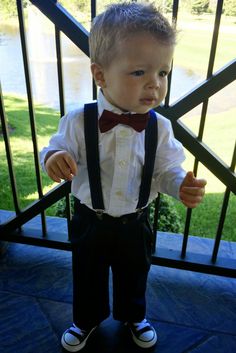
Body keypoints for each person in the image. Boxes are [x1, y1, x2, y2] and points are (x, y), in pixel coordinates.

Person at [40, 2, 207, 351]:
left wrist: (180, 185)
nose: (155, 86)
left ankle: (134, 316)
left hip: (136, 221)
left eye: (163, 73)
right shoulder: (77, 120)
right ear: (100, 75)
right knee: (88, 273)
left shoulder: (159, 127)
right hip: (91, 219)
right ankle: (86, 320)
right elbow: (54, 148)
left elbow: (166, 170)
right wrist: (54, 158)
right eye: (139, 73)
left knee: (136, 273)